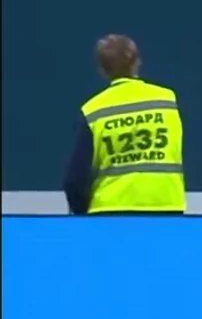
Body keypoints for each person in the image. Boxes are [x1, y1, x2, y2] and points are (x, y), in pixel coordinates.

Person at [63, 34, 186, 215]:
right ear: (137, 62)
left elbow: (75, 180)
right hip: (165, 206)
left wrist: (83, 213)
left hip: (111, 211)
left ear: (102, 70)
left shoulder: (93, 111)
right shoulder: (167, 100)